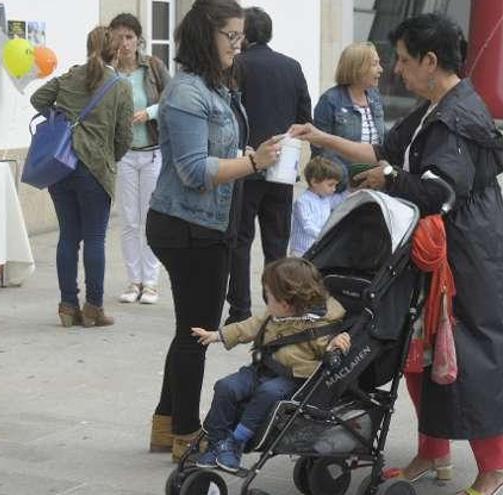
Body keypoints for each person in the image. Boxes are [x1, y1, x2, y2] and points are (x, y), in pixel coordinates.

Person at [290, 13, 503, 495]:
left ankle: (499, 464)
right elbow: (379, 148)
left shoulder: (457, 118)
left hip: (467, 259)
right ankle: (433, 452)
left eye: (402, 60)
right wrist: (320, 137)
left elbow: (439, 192)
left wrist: (389, 180)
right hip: (432, 255)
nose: (396, 70)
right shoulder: (432, 108)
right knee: (417, 352)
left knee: (467, 357)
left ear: (430, 61)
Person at [144, 0, 284, 462]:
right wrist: (252, 162)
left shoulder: (214, 85)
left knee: (189, 328)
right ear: (208, 37)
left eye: (241, 36)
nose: (238, 46)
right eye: (231, 37)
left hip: (209, 223)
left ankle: (166, 423)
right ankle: (186, 433)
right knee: (197, 333)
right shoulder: (186, 92)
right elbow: (190, 169)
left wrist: (247, 152)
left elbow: (213, 148)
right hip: (188, 226)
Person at [191, 257, 350, 472]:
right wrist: (218, 335)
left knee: (268, 392)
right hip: (262, 368)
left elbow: (330, 350)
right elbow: (250, 326)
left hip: (293, 378)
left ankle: (236, 441)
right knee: (225, 386)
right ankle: (217, 443)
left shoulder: (321, 325)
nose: (267, 302)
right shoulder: (275, 314)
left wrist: (336, 344)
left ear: (285, 304)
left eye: (269, 297)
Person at [31, 26, 133, 328]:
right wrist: (108, 155)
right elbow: (124, 136)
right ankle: (93, 308)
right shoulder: (120, 85)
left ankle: (67, 305)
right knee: (96, 239)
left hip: (61, 167)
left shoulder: (70, 76)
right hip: (95, 170)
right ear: (115, 50)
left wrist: (62, 119)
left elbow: (38, 98)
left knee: (68, 237)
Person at [225, 6, 312, 325]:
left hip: (245, 163)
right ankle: (277, 308)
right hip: (283, 167)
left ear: (244, 34)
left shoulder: (237, 65)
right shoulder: (292, 67)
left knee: (240, 240)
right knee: (277, 244)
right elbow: (305, 117)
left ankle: (240, 309)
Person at [108, 13, 172, 305]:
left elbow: (172, 98)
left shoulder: (153, 67)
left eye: (129, 37)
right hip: (123, 155)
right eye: (118, 37)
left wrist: (150, 113)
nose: (124, 43)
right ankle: (133, 281)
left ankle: (151, 282)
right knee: (128, 220)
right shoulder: (108, 71)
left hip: (152, 153)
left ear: (138, 39)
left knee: (150, 219)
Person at [312, 42, 386, 190]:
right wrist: (348, 181)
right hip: (342, 188)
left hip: (375, 183)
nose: (381, 69)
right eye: (374, 64)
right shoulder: (330, 100)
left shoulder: (375, 96)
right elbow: (321, 149)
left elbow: (382, 139)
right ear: (358, 68)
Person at [289, 156, 344, 257]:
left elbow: (342, 200)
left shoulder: (326, 199)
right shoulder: (303, 202)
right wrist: (326, 234)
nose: (334, 189)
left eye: (335, 185)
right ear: (314, 182)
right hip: (301, 251)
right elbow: (308, 226)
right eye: (330, 185)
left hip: (317, 249)